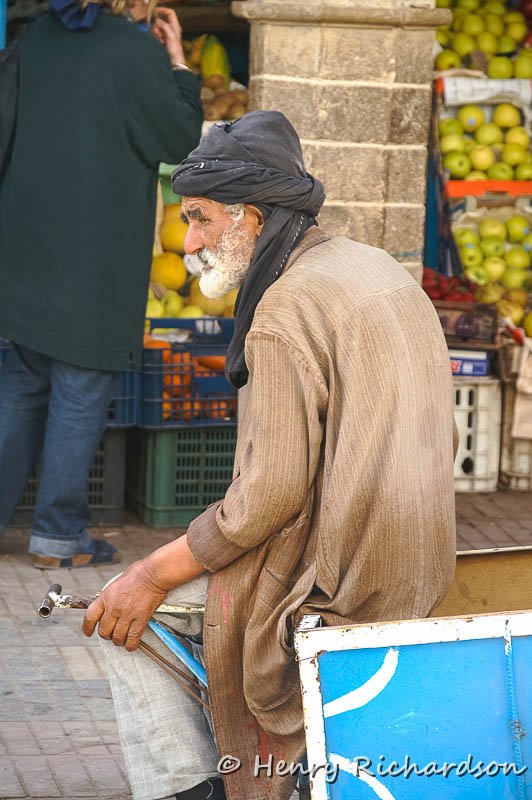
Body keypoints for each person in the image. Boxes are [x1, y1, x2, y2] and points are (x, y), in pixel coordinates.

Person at [83, 111, 457, 800]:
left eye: (200, 219)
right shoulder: (374, 264)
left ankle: (197, 788)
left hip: (345, 584)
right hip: (423, 563)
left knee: (124, 613)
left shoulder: (284, 309)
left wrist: (148, 573)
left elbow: (269, 495)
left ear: (251, 218)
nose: (190, 242)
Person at [0, 0, 202, 567]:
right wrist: (178, 62)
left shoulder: (37, 35)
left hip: (26, 247)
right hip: (95, 260)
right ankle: (57, 536)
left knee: (20, 386)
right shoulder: (134, 52)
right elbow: (179, 140)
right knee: (80, 391)